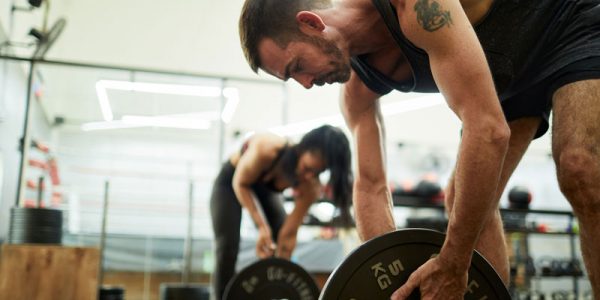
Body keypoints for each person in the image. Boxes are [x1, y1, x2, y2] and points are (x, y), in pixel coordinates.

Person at [238, 0, 600, 298]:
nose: (305, 84)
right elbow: (370, 186)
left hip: (566, 20)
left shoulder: (415, 7)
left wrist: (454, 262)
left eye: (297, 66)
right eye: (293, 78)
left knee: (581, 168)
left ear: (312, 23)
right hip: (505, 76)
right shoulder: (357, 92)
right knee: (464, 196)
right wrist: (392, 279)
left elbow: (488, 130)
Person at [210, 125, 353, 299]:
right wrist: (262, 227)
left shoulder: (311, 187)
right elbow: (240, 183)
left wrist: (281, 265)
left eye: (317, 172)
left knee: (279, 237)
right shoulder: (268, 148)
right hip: (231, 184)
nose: (309, 176)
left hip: (266, 192)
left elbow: (289, 232)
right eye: (308, 169)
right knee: (227, 246)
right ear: (303, 149)